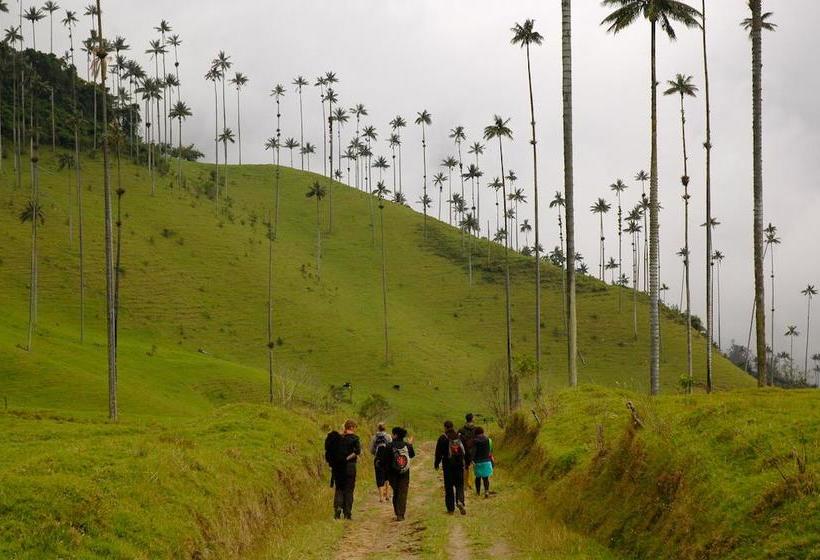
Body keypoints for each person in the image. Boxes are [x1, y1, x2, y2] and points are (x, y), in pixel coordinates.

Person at [378, 426, 415, 521]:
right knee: (403, 492)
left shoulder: (390, 445)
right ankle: (401, 514)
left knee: (396, 492)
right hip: (405, 472)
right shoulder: (407, 445)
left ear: (395, 435)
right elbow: (412, 455)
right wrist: (410, 444)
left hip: (392, 473)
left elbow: (383, 460)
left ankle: (397, 511)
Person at [434, 420, 467, 515]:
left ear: (445, 427)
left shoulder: (442, 438)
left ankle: (450, 509)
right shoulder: (459, 437)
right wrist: (468, 462)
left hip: (448, 466)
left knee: (449, 488)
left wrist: (436, 463)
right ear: (453, 427)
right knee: (459, 485)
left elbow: (438, 453)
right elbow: (466, 450)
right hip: (459, 465)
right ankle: (460, 501)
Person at [332, 419, 361, 520]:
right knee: (349, 490)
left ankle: (338, 510)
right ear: (352, 427)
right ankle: (347, 513)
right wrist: (348, 458)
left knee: (339, 489)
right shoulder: (355, 438)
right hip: (350, 466)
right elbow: (357, 451)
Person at [370, 422, 393, 503]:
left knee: (379, 476)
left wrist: (376, 454)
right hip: (387, 459)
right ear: (385, 428)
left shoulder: (374, 437)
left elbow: (372, 450)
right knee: (387, 476)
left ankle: (381, 497)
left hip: (378, 460)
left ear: (378, 428)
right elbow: (391, 447)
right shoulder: (388, 436)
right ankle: (387, 495)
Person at [472, 426, 493, 498]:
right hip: (486, 460)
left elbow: (474, 451)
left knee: (478, 478)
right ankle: (486, 491)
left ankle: (478, 492)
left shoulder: (475, 441)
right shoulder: (487, 439)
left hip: (477, 462)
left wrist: (472, 459)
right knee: (485, 478)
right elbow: (489, 450)